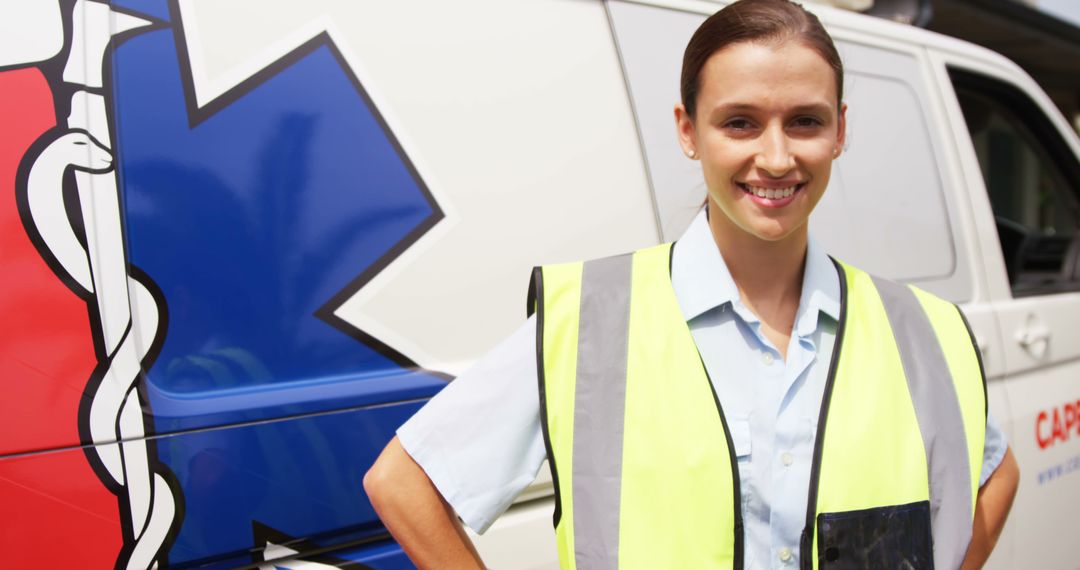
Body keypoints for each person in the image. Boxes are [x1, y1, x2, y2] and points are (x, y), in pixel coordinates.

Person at [364, 0, 1020, 568]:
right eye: (740, 122)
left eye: (806, 121)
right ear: (688, 131)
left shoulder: (921, 328)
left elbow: (997, 473)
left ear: (840, 131)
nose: (776, 156)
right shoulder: (593, 321)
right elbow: (404, 482)